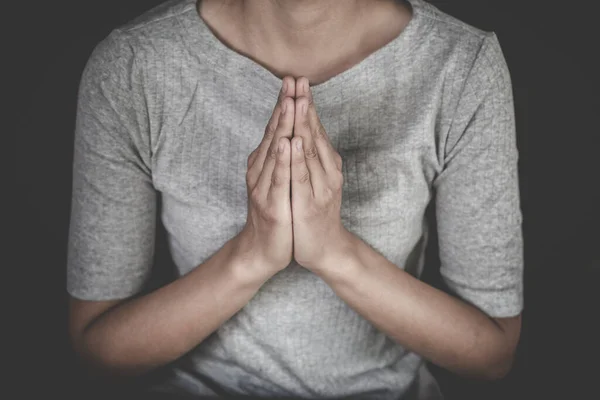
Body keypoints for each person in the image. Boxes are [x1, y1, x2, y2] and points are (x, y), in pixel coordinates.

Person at [66, 0, 524, 398]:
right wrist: (252, 256)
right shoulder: (132, 64)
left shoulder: (460, 65)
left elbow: (492, 353)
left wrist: (333, 253)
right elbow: (98, 347)